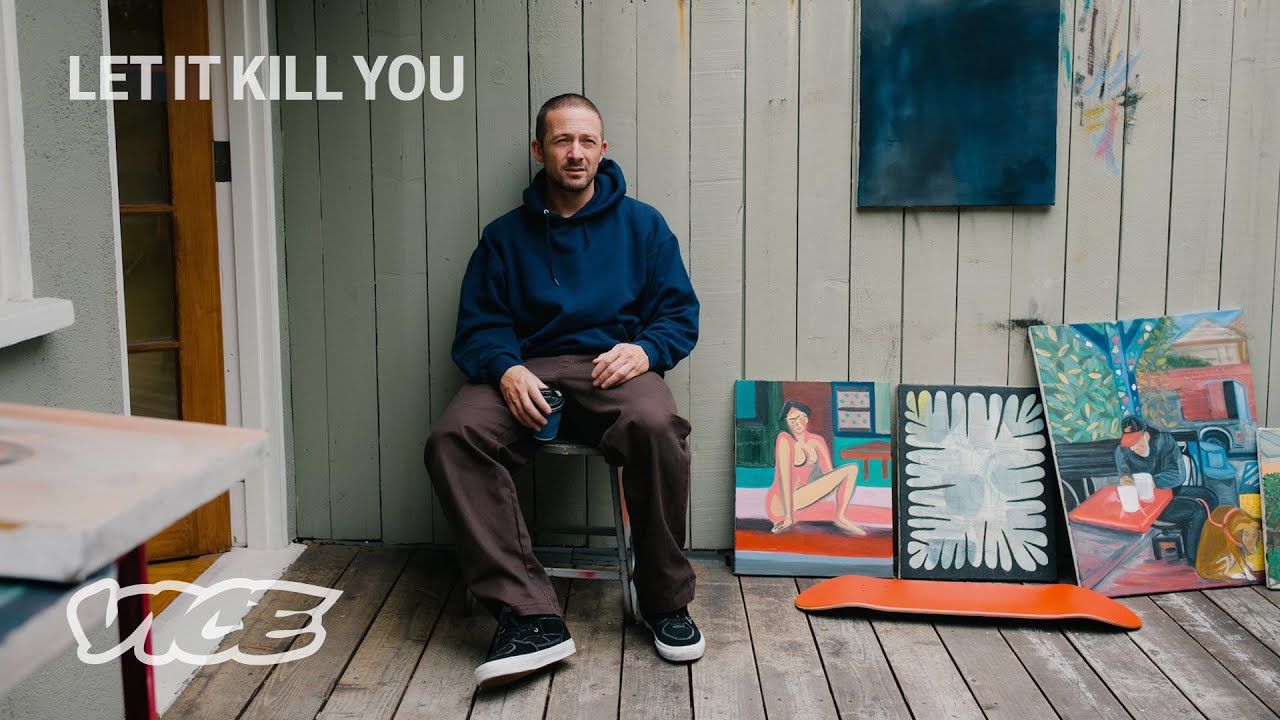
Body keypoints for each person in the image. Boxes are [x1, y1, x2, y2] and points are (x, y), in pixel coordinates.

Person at [424, 93, 703, 689]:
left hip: (613, 369)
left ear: (602, 150)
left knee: (656, 426)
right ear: (539, 150)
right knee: (454, 436)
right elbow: (477, 328)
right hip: (527, 372)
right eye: (561, 141)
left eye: (586, 142)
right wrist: (505, 369)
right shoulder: (504, 237)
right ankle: (530, 616)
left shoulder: (644, 226)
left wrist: (646, 351)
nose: (575, 153)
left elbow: (679, 315)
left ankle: (665, 602)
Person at [1113, 415, 1217, 566]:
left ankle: (1202, 542)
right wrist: (1128, 482)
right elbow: (1124, 477)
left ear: (1146, 435)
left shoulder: (1164, 441)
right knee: (1197, 511)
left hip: (1171, 492)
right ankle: (1194, 560)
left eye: (1136, 441)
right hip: (1150, 504)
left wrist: (1153, 482)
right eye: (1129, 443)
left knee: (1210, 497)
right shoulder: (1122, 451)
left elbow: (1177, 474)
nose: (1133, 448)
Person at [766, 400, 864, 535]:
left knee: (852, 469)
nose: (796, 423)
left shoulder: (817, 441)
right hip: (781, 502)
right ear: (787, 423)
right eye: (791, 421)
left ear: (806, 418)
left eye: (799, 418)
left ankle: (840, 516)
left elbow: (828, 475)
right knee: (850, 469)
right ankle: (839, 517)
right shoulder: (784, 440)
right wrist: (789, 517)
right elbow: (785, 479)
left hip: (802, 497)